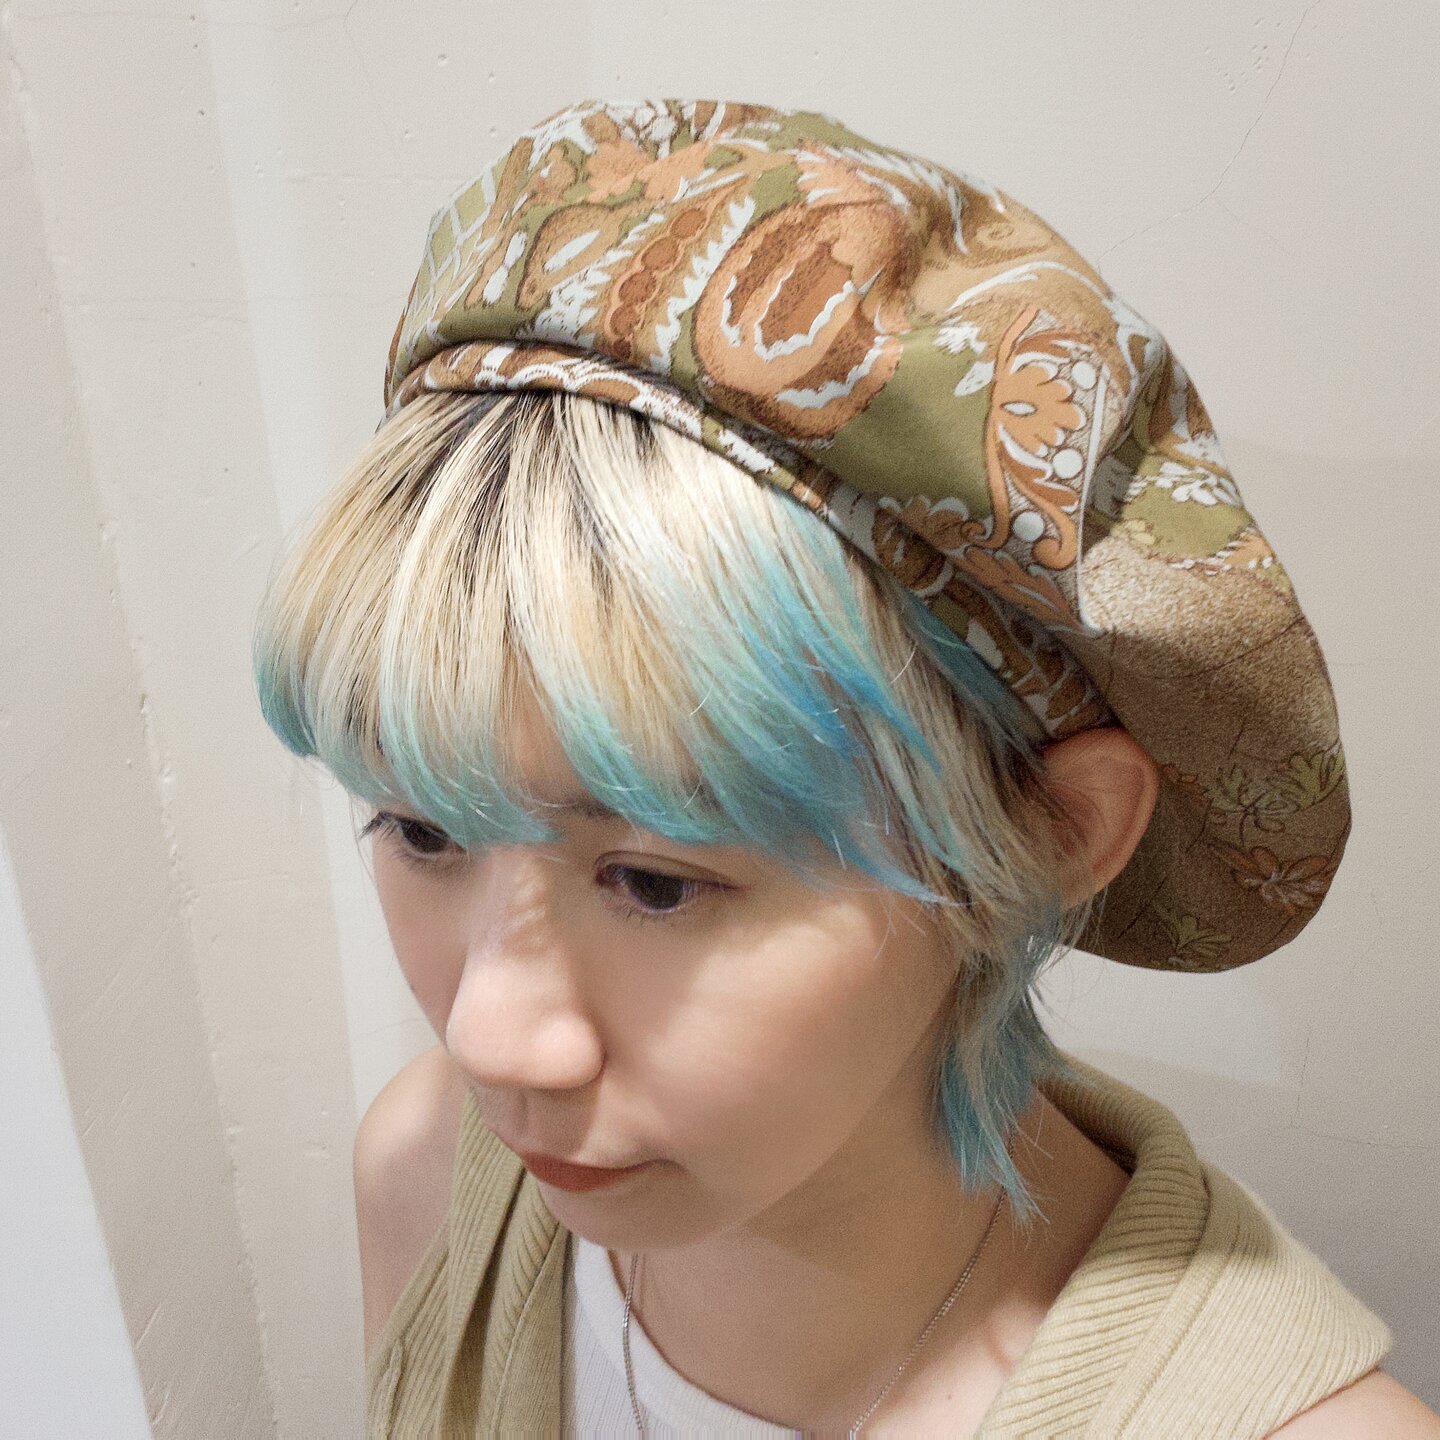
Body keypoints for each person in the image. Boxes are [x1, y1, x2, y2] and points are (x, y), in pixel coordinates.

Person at [251, 100, 1439, 1436]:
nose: (490, 1037)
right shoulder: (436, 1190)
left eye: (653, 882)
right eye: (421, 831)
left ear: (1050, 832)